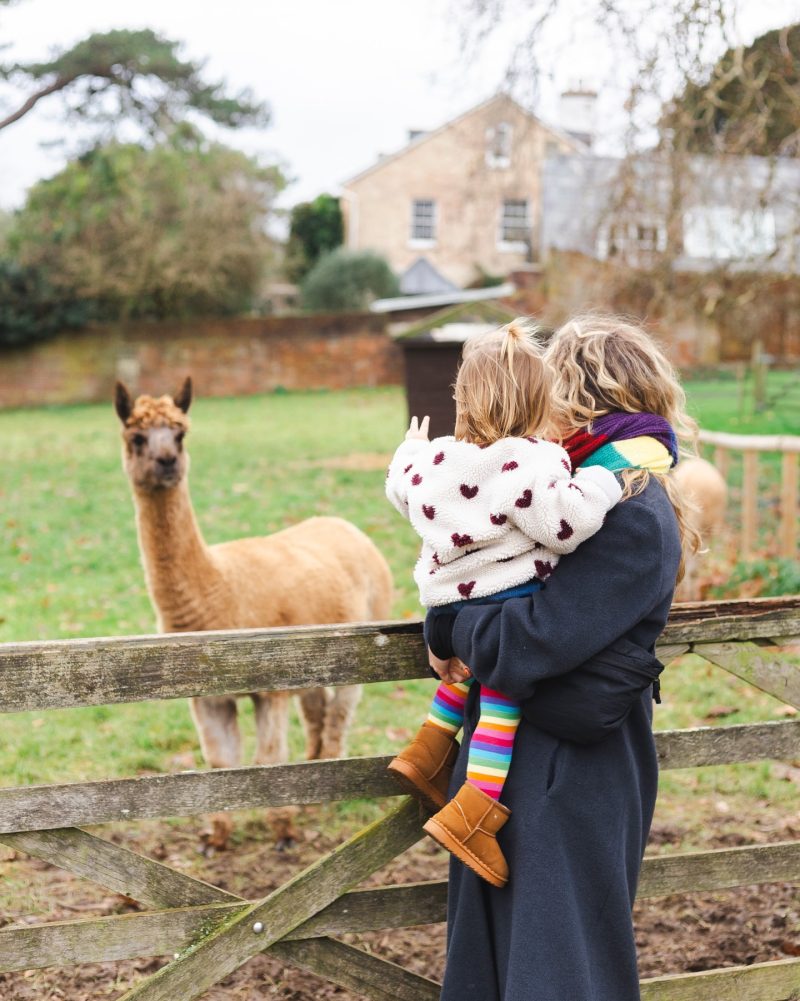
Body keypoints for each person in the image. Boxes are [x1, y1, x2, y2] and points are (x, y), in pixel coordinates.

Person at [423, 314, 698, 1001]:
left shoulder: (631, 507)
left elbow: (532, 638)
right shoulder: (563, 491)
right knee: (496, 958)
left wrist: (453, 624)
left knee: (560, 966)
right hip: (517, 759)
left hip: (572, 772)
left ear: (580, 396)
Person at [384, 321, 622, 887]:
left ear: (462, 396)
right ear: (540, 400)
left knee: (459, 674)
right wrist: (606, 481)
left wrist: (409, 449)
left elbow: (399, 488)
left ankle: (427, 748)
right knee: (501, 704)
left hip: (443, 607)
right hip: (502, 605)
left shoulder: (438, 458)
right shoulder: (530, 462)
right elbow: (565, 527)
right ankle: (474, 816)